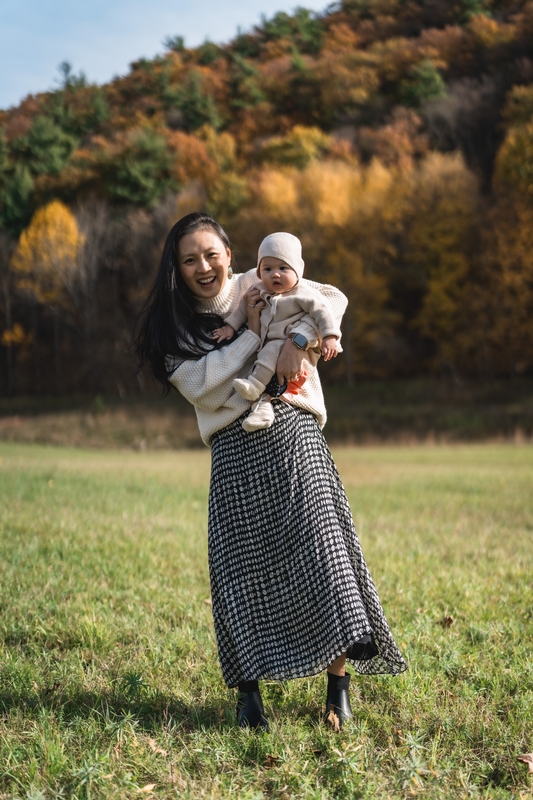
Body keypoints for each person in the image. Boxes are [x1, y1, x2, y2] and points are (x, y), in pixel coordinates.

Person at [135, 212, 407, 732]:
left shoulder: (258, 280)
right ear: (176, 266)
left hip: (292, 429)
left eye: (212, 254)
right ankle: (249, 697)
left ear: (230, 255)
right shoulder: (171, 325)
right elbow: (204, 384)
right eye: (189, 259)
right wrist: (257, 337)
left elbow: (335, 298)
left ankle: (338, 688)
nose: (203, 266)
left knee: (323, 551)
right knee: (239, 571)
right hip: (234, 449)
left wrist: (297, 340)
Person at [211, 231, 341, 432]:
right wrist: (230, 327)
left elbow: (324, 312)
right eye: (268, 268)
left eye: (283, 268)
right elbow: (242, 310)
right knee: (264, 362)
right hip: (267, 349)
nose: (275, 274)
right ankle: (261, 411)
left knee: (269, 353)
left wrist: (330, 336)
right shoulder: (258, 289)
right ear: (259, 271)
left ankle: (254, 386)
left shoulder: (303, 294)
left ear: (298, 271)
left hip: (291, 350)